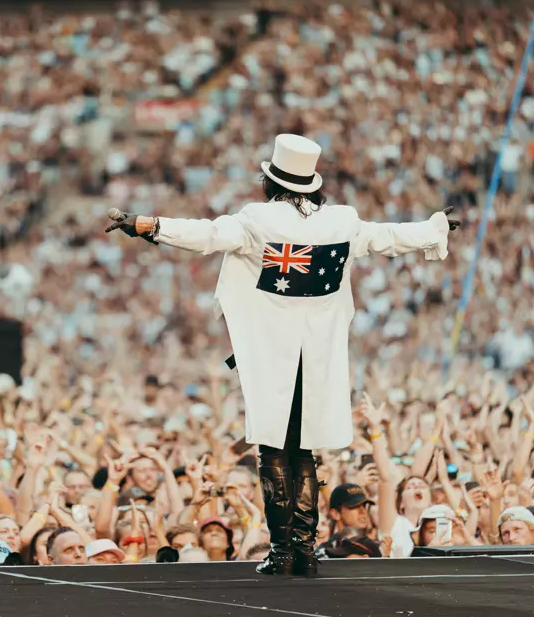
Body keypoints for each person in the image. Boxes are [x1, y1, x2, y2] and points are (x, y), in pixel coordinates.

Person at [106, 133, 459, 576]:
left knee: (274, 448)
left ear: (270, 181)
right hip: (319, 352)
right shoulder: (342, 222)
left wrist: (149, 225)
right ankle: (306, 550)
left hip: (272, 352)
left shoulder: (258, 220)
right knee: (304, 450)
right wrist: (434, 229)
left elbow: (209, 235)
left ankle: (281, 551)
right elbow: (388, 237)